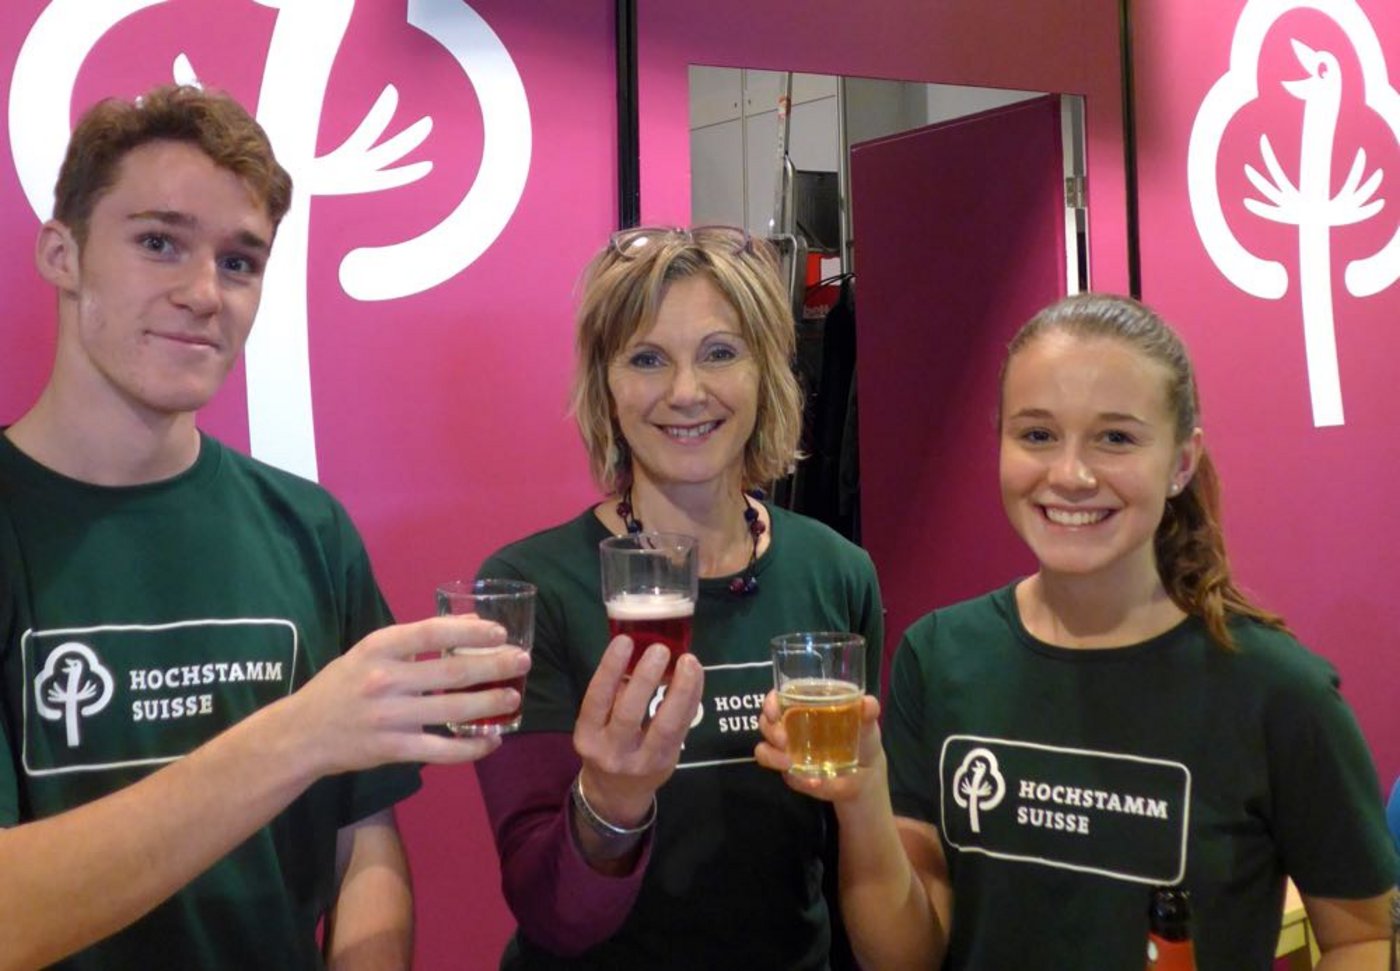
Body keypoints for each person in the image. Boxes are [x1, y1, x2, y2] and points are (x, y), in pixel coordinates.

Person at [0, 84, 530, 970]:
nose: (204, 293)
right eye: (159, 242)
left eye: (240, 261)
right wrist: (301, 733)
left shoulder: (308, 527)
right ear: (63, 254)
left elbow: (363, 841)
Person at [757, 292, 1397, 969]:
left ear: (1181, 462)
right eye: (1037, 435)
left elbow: (1364, 935)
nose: (1070, 475)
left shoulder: (1278, 691)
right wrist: (862, 796)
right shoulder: (940, 656)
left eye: (1115, 438)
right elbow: (906, 957)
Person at [473, 225, 884, 969]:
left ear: (767, 373)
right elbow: (550, 911)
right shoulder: (533, 586)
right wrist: (610, 801)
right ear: (606, 387)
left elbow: (849, 862)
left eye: (720, 353)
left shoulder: (837, 570)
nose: (686, 391)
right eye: (647, 359)